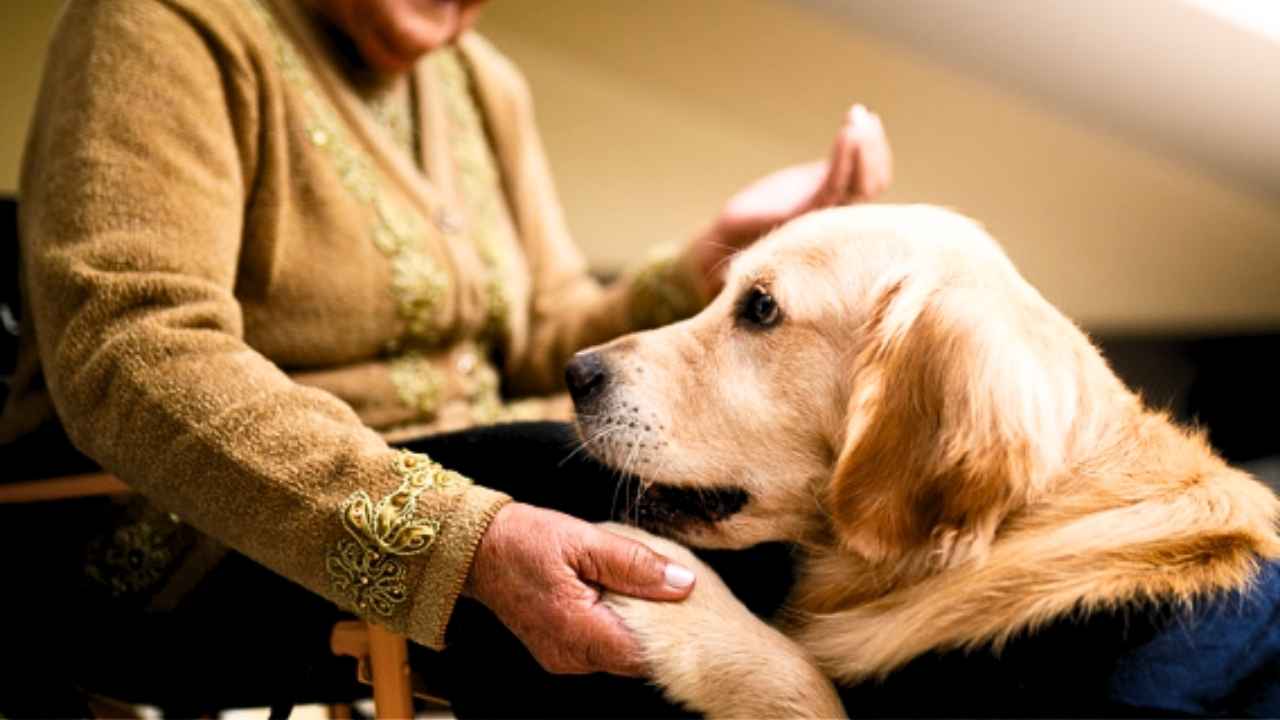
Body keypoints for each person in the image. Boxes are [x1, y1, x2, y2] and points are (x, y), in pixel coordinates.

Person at [0, 0, 891, 713]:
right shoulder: (162, 20)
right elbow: (125, 348)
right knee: (611, 500)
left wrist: (709, 253)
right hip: (189, 547)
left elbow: (549, 333)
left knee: (787, 527)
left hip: (483, 465)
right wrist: (459, 543)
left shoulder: (482, 83)